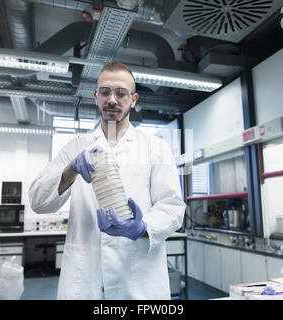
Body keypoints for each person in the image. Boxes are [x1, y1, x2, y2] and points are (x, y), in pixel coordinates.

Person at [28, 61, 186, 300]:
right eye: (105, 92)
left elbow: (173, 208)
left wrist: (143, 228)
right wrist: (71, 169)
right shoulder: (76, 147)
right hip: (85, 282)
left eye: (121, 93)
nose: (112, 99)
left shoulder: (155, 148)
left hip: (137, 284)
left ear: (133, 100)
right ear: (96, 97)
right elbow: (38, 201)